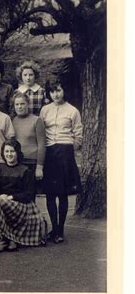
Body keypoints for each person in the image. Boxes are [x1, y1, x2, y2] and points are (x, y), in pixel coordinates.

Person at [0, 139, 47, 252]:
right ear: (3, 153)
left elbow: (29, 194)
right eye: (6, 152)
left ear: (17, 153)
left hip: (21, 205)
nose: (9, 154)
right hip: (1, 203)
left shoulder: (25, 170)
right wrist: (1, 197)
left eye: (12, 151)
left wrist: (11, 198)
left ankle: (3, 240)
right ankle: (8, 239)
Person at [40, 78, 82, 244]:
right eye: (52, 91)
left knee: (63, 194)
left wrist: (71, 151)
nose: (55, 94)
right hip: (50, 151)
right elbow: (41, 132)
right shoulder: (45, 110)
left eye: (58, 90)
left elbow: (78, 134)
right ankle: (54, 228)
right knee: (50, 194)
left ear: (64, 90)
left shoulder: (72, 111)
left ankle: (61, 231)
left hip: (65, 152)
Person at [12, 92, 45, 183]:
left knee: (30, 193)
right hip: (17, 161)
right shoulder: (13, 120)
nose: (19, 107)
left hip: (31, 162)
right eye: (17, 104)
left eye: (22, 104)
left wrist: (39, 166)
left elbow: (42, 144)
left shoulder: (37, 120)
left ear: (28, 104)